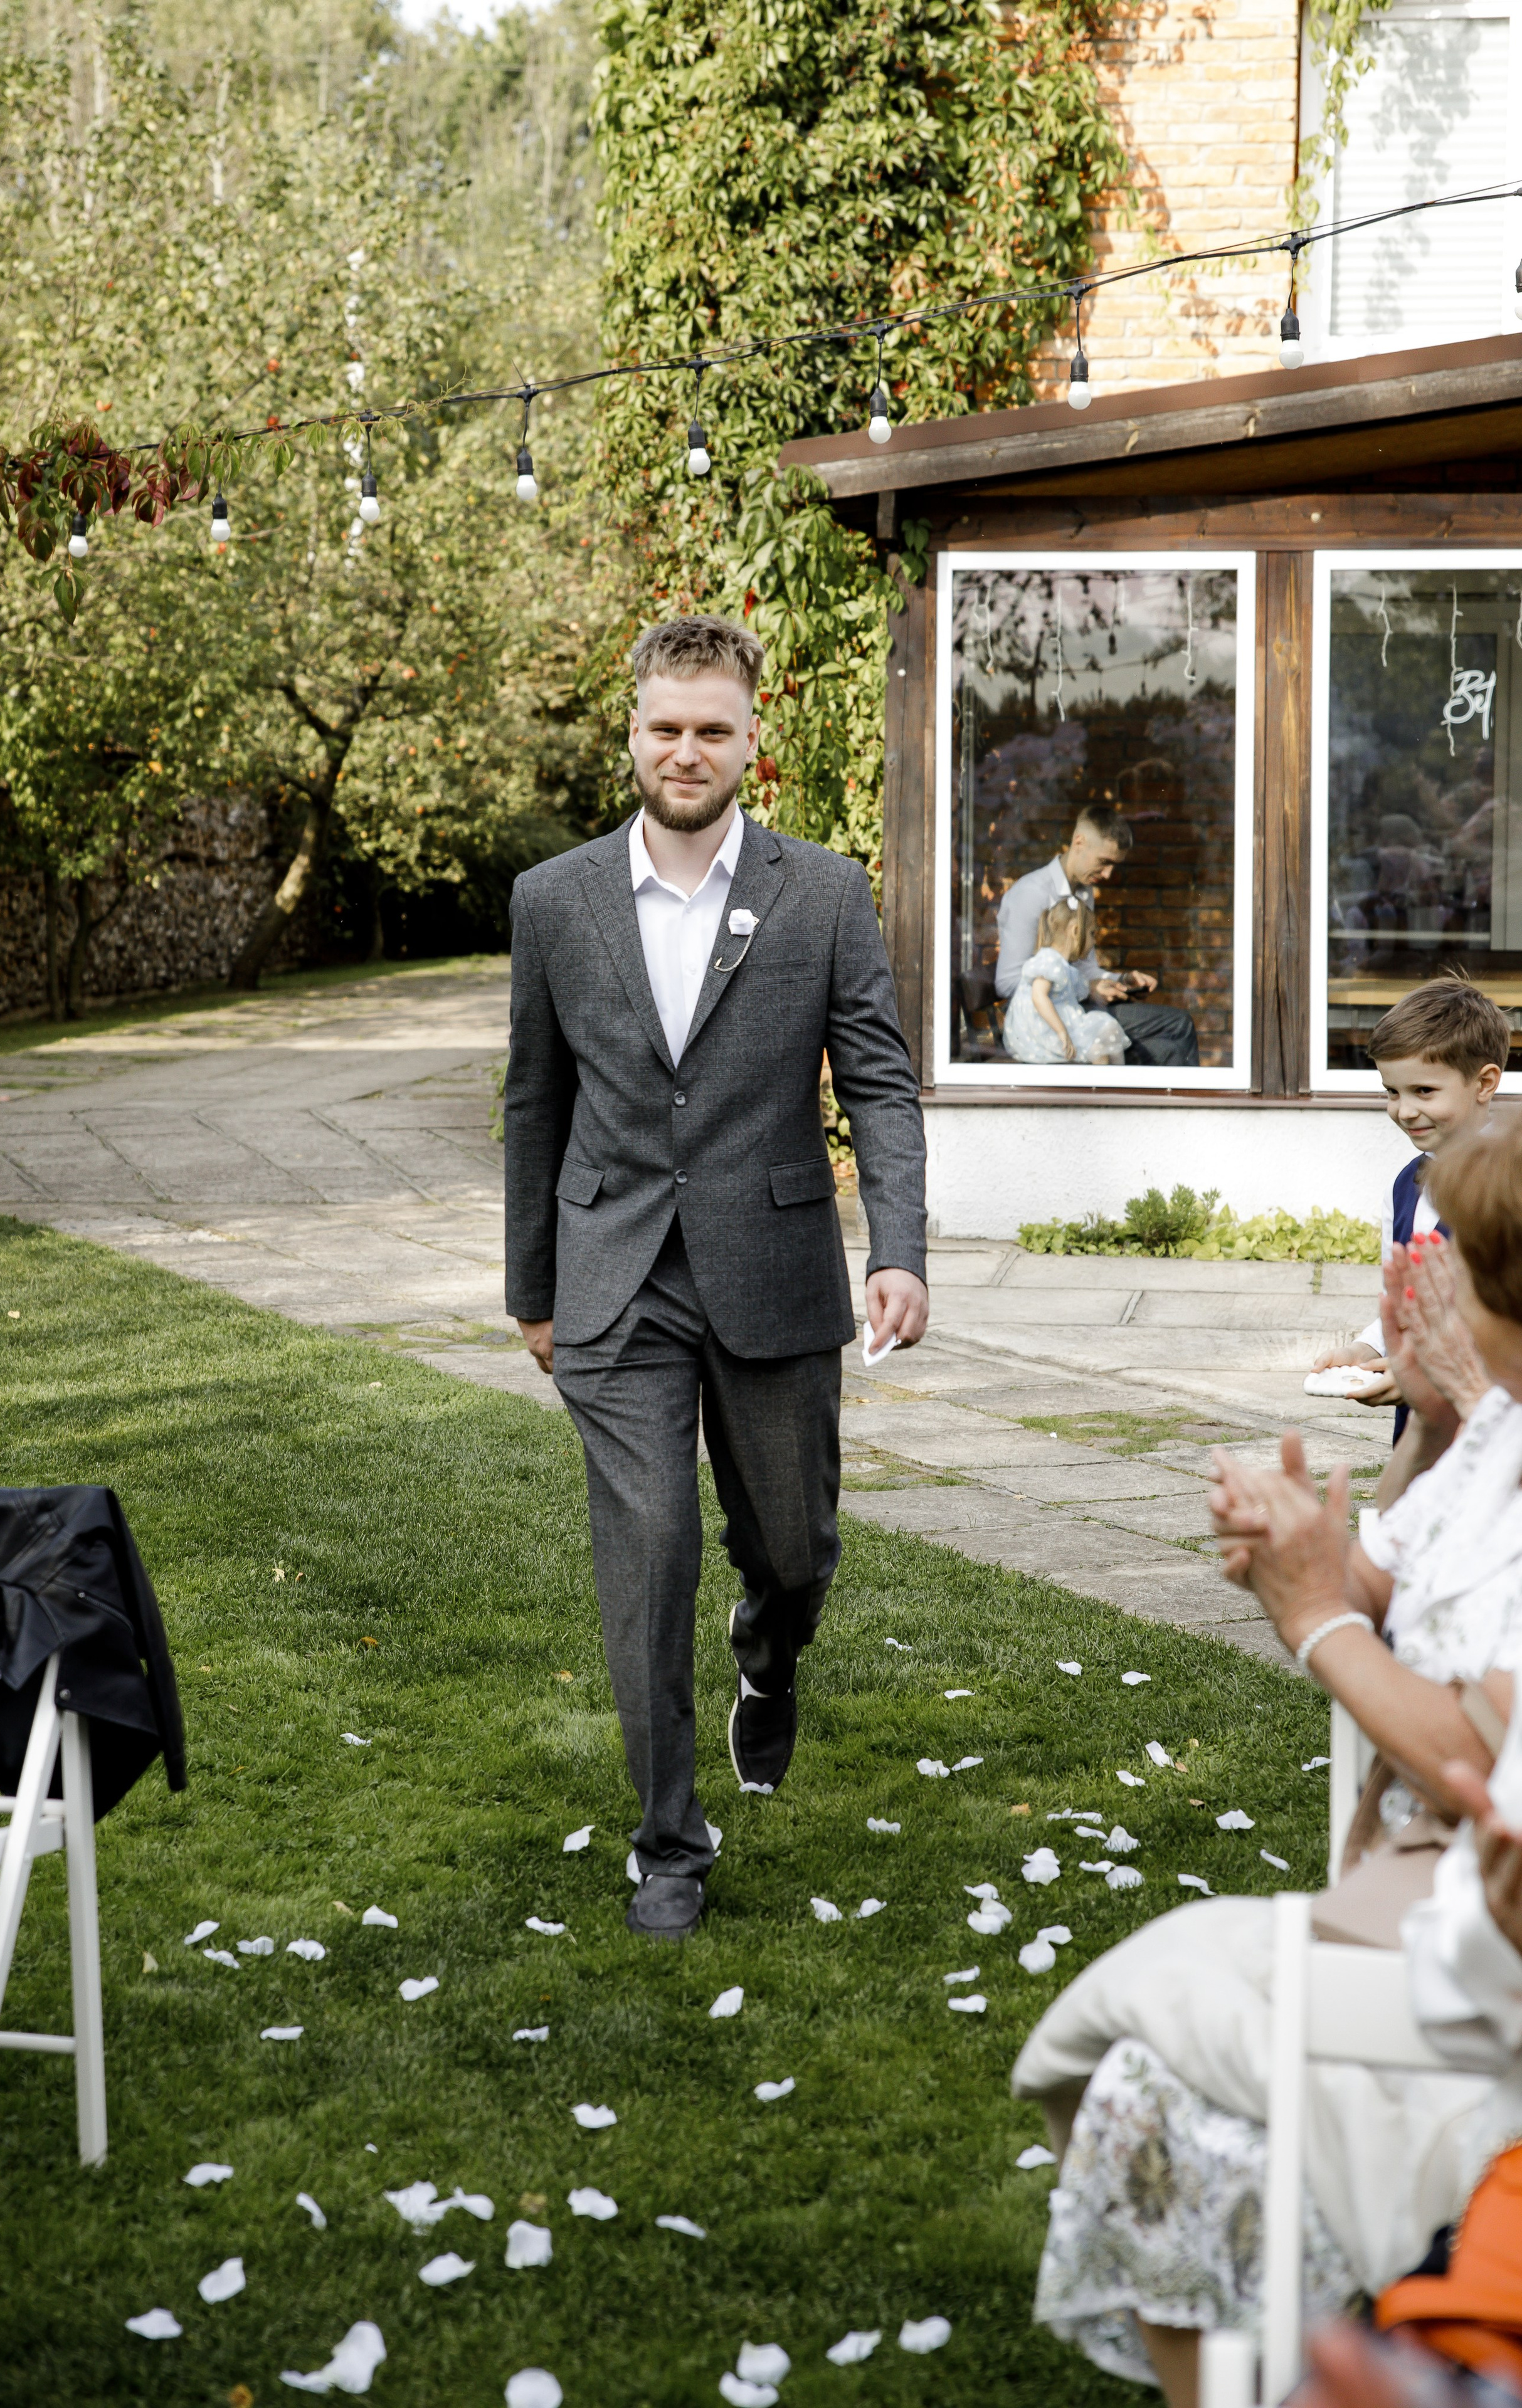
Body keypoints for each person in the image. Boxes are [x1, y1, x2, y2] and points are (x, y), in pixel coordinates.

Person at [1011, 1112, 1522, 2408]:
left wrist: (1311, 1622)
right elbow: (1375, 1588)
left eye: (1448, 1249)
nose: (1422, 1269)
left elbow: (1473, 1745)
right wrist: (1297, 1546)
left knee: (1142, 2061)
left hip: (1473, 1926)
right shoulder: (1497, 1433)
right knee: (1144, 2056)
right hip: (1412, 1887)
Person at [503, 614, 929, 1943]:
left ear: (752, 737)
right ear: (629, 732)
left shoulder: (824, 893)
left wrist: (898, 1249)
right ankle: (666, 1845)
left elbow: (877, 1082)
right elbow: (533, 1100)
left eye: (711, 730)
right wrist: (532, 1290)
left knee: (791, 1546)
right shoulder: (552, 899)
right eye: (662, 727)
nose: (684, 751)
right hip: (613, 1277)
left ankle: (768, 1647)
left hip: (775, 1266)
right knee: (648, 1555)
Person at [1312, 978, 1509, 1436]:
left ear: (1484, 1083)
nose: (1404, 1111)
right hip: (1422, 1430)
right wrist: (1365, 1349)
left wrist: (1424, 1373)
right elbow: (1405, 1303)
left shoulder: (1508, 1184)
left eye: (1424, 1091)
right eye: (1392, 1092)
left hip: (1494, 1427)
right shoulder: (1404, 1188)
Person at [992, 802, 1200, 1067]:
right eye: (1104, 862)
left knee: (1170, 1047)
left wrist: (1121, 980)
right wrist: (1085, 989)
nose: (1108, 874)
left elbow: (1086, 968)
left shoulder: (1083, 892)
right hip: (1046, 1026)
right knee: (1178, 1027)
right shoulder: (1031, 894)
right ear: (1079, 843)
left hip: (1076, 1007)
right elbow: (1008, 983)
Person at [1001, 896, 1130, 1067]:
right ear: (1076, 932)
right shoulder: (1049, 960)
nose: (1094, 941)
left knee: (1109, 1029)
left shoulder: (1064, 966)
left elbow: (1079, 992)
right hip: (1044, 1032)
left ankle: (1116, 1084)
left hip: (1060, 1025)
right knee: (1099, 1049)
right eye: (1092, 934)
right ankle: (1104, 1088)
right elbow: (1039, 997)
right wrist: (1062, 1033)